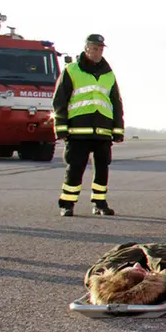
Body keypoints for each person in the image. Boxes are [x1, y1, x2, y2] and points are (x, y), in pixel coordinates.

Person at [52, 33, 125, 217]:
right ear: (86, 49)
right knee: (75, 169)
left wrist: (118, 130)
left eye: (100, 49)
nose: (98, 52)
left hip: (102, 132)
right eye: (94, 49)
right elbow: (60, 100)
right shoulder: (72, 70)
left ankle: (100, 203)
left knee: (102, 170)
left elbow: (115, 102)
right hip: (78, 131)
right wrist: (61, 127)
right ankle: (67, 204)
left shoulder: (108, 74)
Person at [85, 221, 166, 305]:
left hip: (148, 249)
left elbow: (115, 252)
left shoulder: (97, 273)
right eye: (140, 271)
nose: (136, 265)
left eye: (129, 269)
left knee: (126, 258)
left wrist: (130, 251)